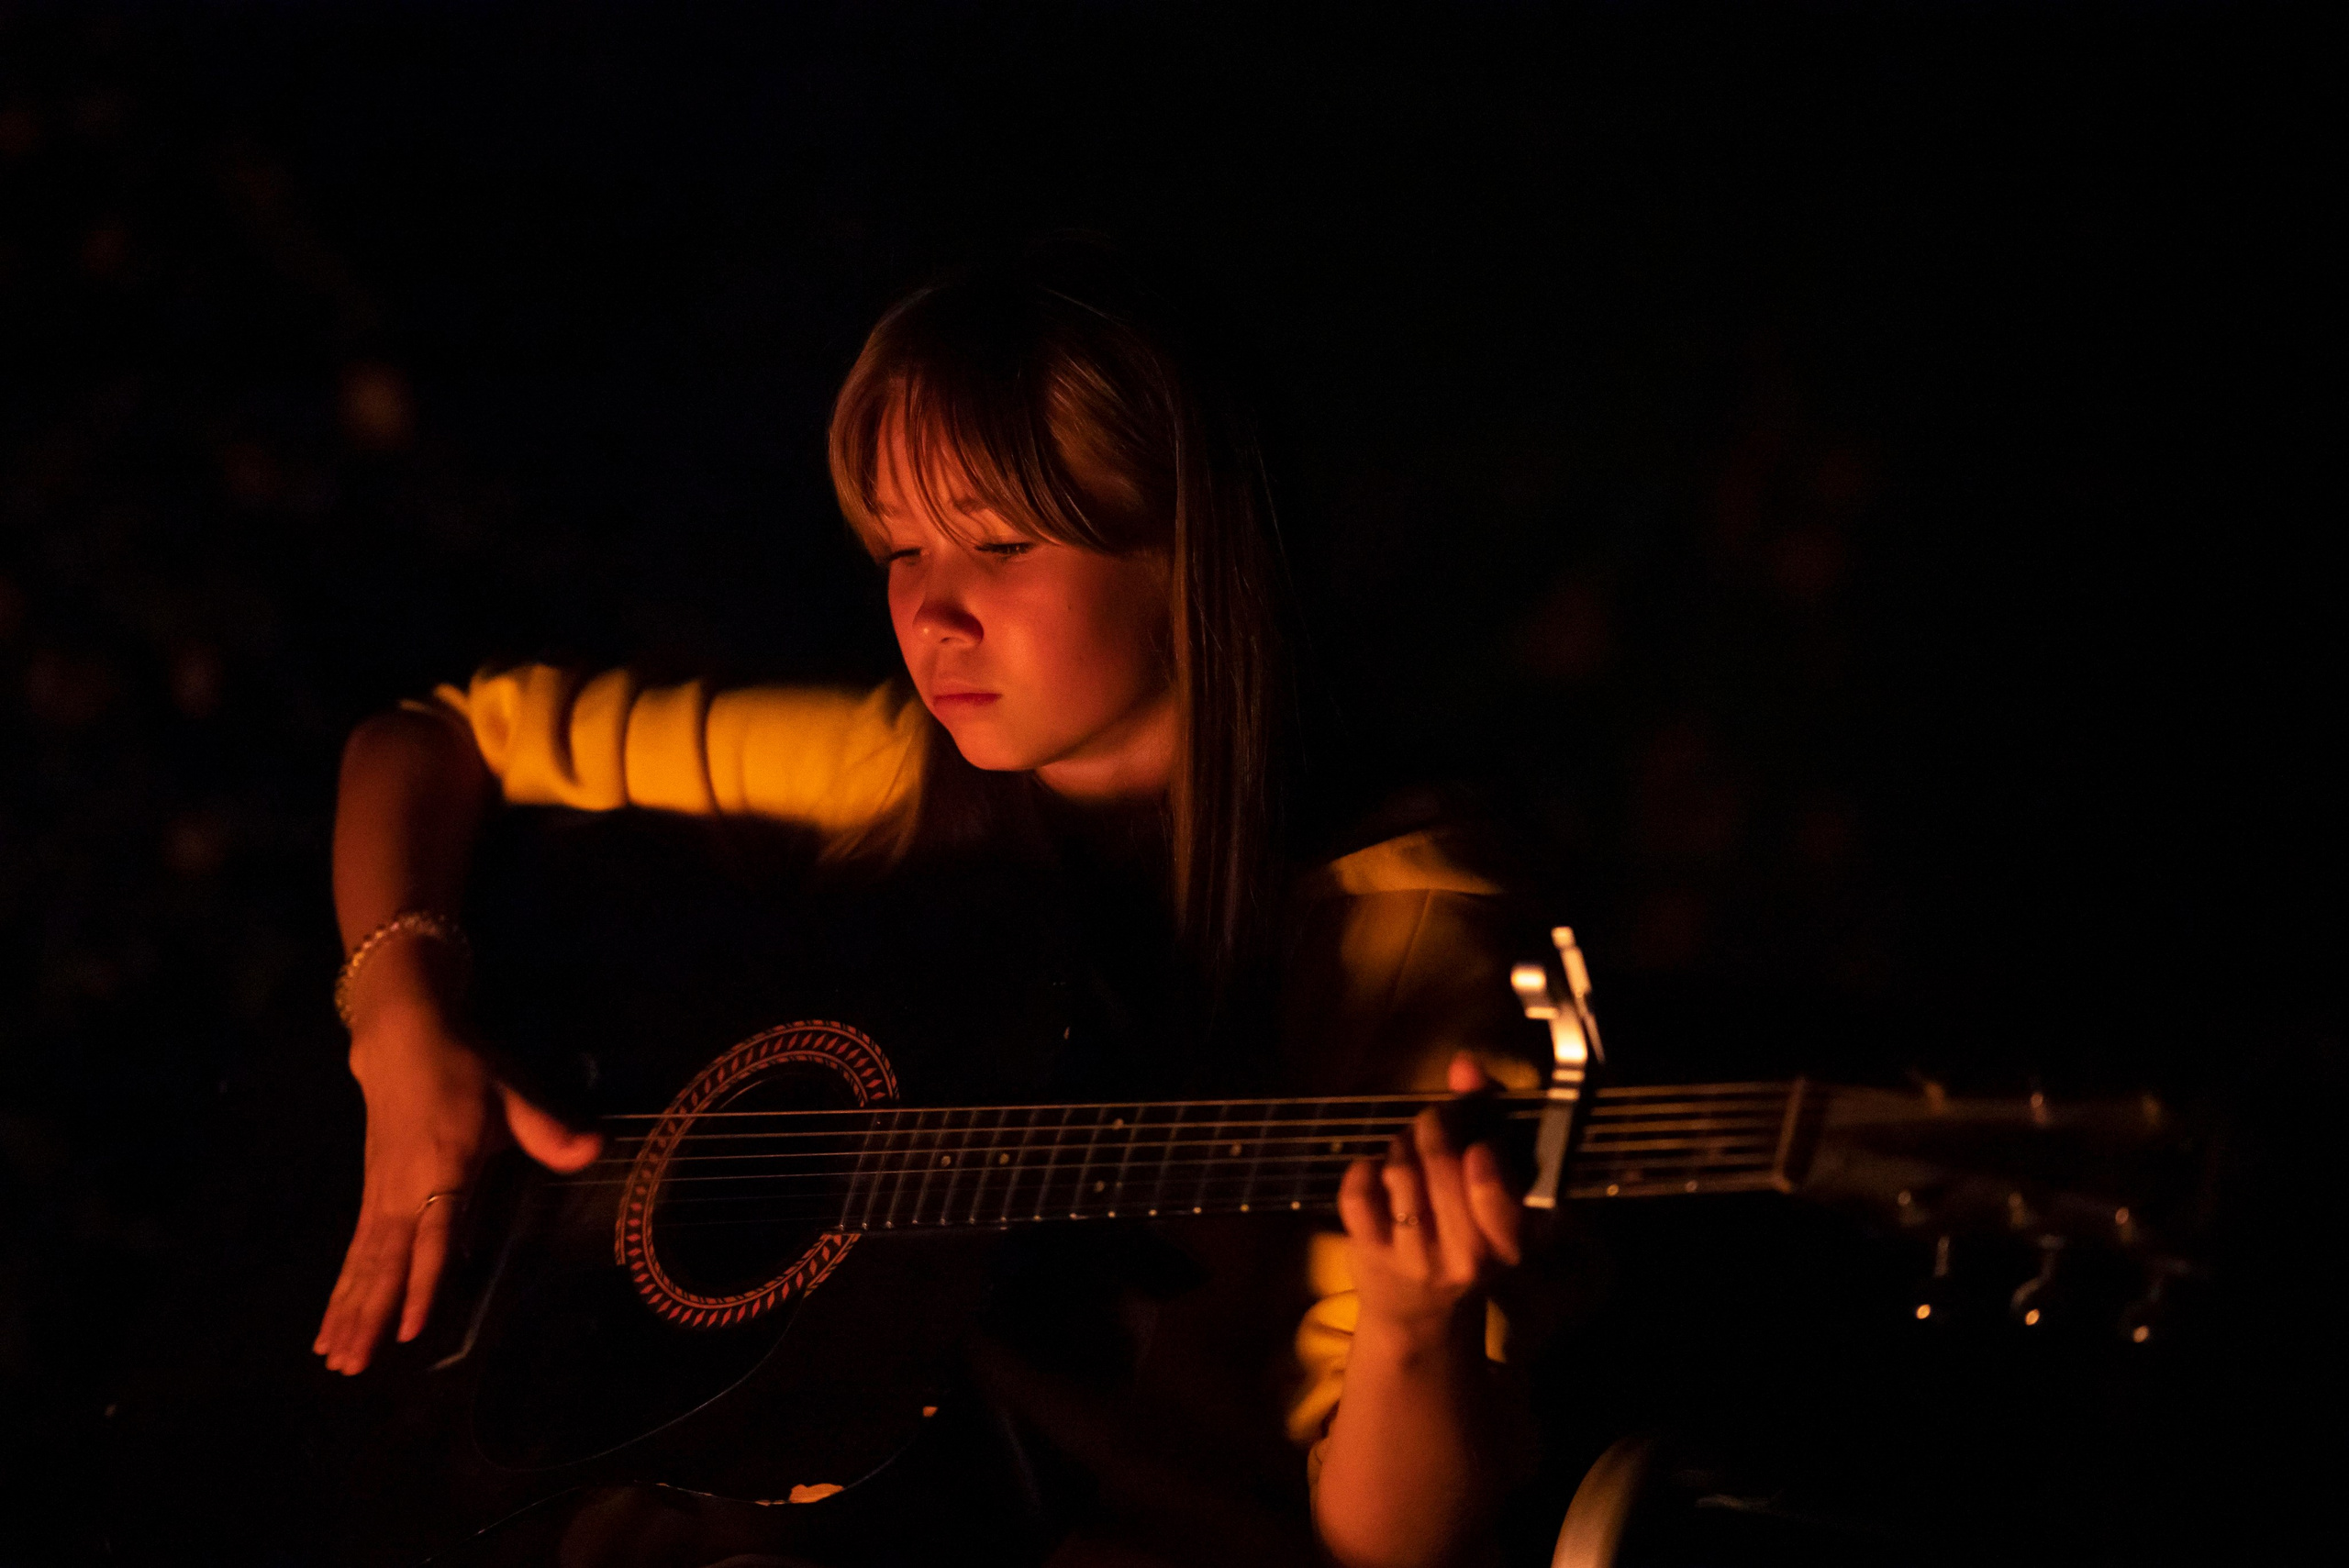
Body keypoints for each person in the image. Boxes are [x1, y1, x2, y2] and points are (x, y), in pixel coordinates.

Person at [314, 241, 1550, 1567]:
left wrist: (1415, 1327)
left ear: (1194, 548)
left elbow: (1392, 1546)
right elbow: (432, 741)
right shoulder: (895, 772)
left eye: (1001, 543)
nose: (931, 614)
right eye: (901, 548)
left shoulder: (1402, 926)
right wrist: (401, 1015)